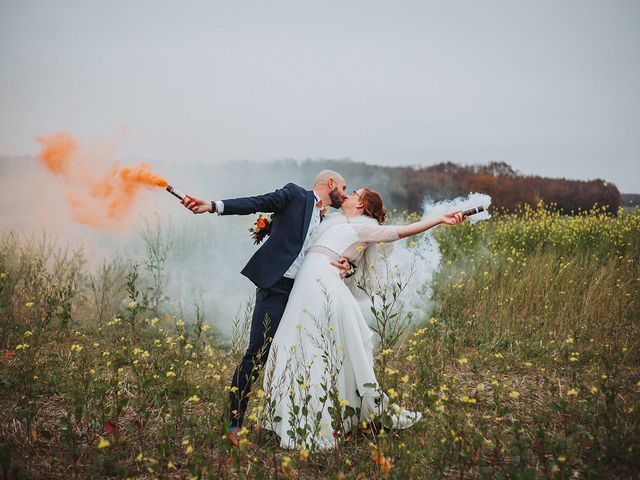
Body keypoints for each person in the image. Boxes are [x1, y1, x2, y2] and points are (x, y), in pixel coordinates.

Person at [260, 188, 464, 450]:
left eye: (355, 193)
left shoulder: (365, 227)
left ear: (363, 205)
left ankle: (320, 419)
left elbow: (401, 231)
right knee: (295, 344)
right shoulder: (331, 221)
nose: (349, 194)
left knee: (316, 345)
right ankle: (292, 414)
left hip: (324, 284)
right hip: (304, 284)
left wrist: (439, 219)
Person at [180, 171, 352, 446]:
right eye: (343, 187)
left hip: (305, 294)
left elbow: (340, 252)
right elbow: (257, 202)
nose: (344, 194)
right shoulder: (296, 195)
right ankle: (233, 423)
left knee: (299, 359)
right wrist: (213, 206)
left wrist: (348, 268)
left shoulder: (328, 220)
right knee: (257, 353)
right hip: (276, 289)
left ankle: (290, 424)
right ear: (330, 183)